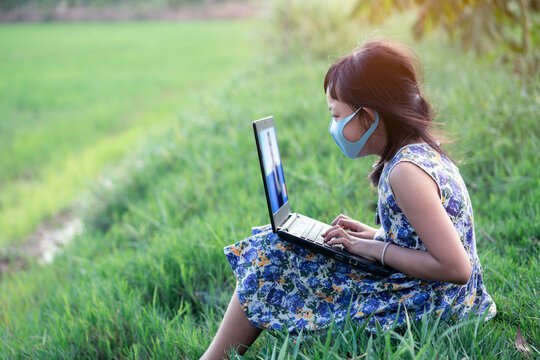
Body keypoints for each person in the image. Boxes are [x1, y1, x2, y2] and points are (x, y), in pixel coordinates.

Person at [201, 39, 496, 360]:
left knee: (273, 256)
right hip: (442, 296)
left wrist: (370, 248)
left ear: (367, 116)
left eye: (337, 115)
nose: (334, 126)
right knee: (275, 242)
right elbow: (423, 241)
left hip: (433, 306)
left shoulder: (406, 172)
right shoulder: (417, 152)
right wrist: (370, 235)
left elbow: (456, 267)